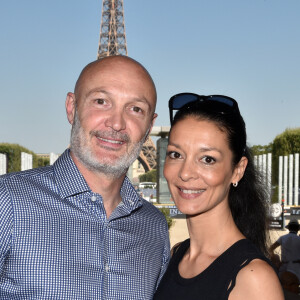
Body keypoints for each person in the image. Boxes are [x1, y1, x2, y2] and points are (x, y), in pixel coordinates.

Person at [0, 56, 170, 299]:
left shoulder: (153, 226)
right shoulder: (7, 201)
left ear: (149, 126)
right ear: (72, 107)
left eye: (135, 109)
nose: (117, 123)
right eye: (101, 101)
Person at [153, 93, 284, 299]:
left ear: (237, 170)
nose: (185, 173)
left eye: (207, 159)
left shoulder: (254, 279)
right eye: (176, 154)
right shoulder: (177, 255)